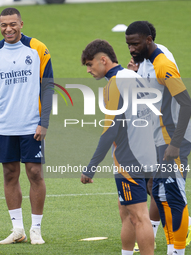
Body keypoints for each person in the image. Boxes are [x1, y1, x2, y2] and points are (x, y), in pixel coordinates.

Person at [0, 7, 53, 245]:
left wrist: (44, 122)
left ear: (21, 24)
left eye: (12, 24)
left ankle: (36, 230)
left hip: (32, 125)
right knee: (10, 174)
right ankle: (17, 229)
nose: (8, 29)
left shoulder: (38, 49)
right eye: (3, 25)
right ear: (0, 26)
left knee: (34, 173)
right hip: (5, 125)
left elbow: (48, 87)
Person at [80, 39, 156, 255]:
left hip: (128, 159)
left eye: (89, 64)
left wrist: (91, 166)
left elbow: (110, 131)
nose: (88, 70)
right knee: (126, 212)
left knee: (139, 216)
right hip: (148, 153)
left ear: (103, 60)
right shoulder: (134, 76)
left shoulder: (113, 85)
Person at [126, 21, 191, 255]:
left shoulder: (163, 64)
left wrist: (175, 144)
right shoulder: (146, 62)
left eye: (135, 44)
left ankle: (178, 250)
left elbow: (186, 104)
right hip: (157, 138)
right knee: (161, 194)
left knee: (174, 197)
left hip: (172, 139)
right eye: (128, 45)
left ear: (148, 41)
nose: (132, 49)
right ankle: (172, 246)